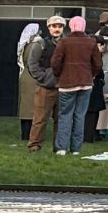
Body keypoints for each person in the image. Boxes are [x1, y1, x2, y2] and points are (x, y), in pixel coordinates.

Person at [50, 15, 101, 156]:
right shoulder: (91, 42)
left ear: (71, 27)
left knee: (65, 115)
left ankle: (61, 148)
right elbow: (98, 64)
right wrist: (91, 75)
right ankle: (76, 149)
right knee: (80, 116)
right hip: (85, 83)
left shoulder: (64, 42)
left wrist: (59, 74)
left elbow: (55, 62)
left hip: (67, 83)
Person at [25, 16, 63, 152]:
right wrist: (42, 78)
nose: (57, 29)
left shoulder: (66, 43)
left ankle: (59, 146)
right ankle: (34, 144)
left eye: (59, 26)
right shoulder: (40, 43)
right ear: (49, 28)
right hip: (45, 87)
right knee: (40, 119)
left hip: (63, 87)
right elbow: (32, 63)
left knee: (61, 120)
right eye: (54, 26)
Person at [16, 23, 41, 141]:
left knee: (24, 107)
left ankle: (24, 134)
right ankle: (30, 134)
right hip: (33, 77)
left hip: (24, 76)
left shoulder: (24, 44)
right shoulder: (37, 44)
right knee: (32, 107)